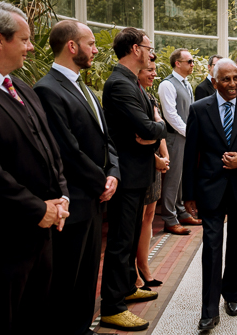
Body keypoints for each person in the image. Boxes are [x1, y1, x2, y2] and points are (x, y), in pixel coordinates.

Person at [34, 20, 120, 335]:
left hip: (96, 195)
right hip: (76, 198)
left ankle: (83, 328)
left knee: (87, 275)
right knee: (67, 277)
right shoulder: (47, 89)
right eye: (91, 43)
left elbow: (105, 138)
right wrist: (101, 183)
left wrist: (113, 173)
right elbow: (66, 151)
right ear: (73, 46)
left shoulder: (84, 87)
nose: (96, 49)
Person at [0, 1, 70, 335]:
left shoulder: (22, 87)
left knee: (37, 318)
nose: (30, 47)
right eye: (24, 40)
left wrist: (62, 197)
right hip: (6, 242)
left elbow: (51, 149)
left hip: (43, 233)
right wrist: (37, 208)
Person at [182, 59, 237, 334]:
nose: (233, 84)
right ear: (214, 81)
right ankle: (208, 312)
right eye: (227, 79)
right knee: (211, 247)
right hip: (210, 188)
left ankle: (232, 295)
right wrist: (188, 194)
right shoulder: (199, 109)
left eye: (236, 78)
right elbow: (190, 154)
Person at [100, 28, 167, 331]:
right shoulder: (119, 84)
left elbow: (151, 128)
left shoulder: (132, 82)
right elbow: (146, 125)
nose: (152, 54)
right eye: (149, 48)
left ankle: (127, 286)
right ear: (136, 48)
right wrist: (156, 126)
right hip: (125, 175)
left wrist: (154, 126)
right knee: (120, 240)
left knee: (128, 239)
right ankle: (113, 306)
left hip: (138, 172)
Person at [158, 48, 202, 235]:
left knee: (183, 176)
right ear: (178, 63)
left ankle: (181, 212)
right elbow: (170, 115)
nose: (192, 64)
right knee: (173, 178)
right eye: (189, 61)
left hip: (185, 137)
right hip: (175, 138)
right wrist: (189, 133)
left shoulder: (186, 84)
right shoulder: (167, 85)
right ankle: (169, 218)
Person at [136, 61, 169, 289]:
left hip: (157, 160)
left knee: (149, 214)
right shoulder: (132, 97)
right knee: (138, 218)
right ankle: (137, 269)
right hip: (145, 162)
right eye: (149, 70)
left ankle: (144, 264)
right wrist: (155, 158)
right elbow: (141, 135)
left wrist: (165, 157)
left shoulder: (150, 98)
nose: (153, 74)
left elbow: (160, 129)